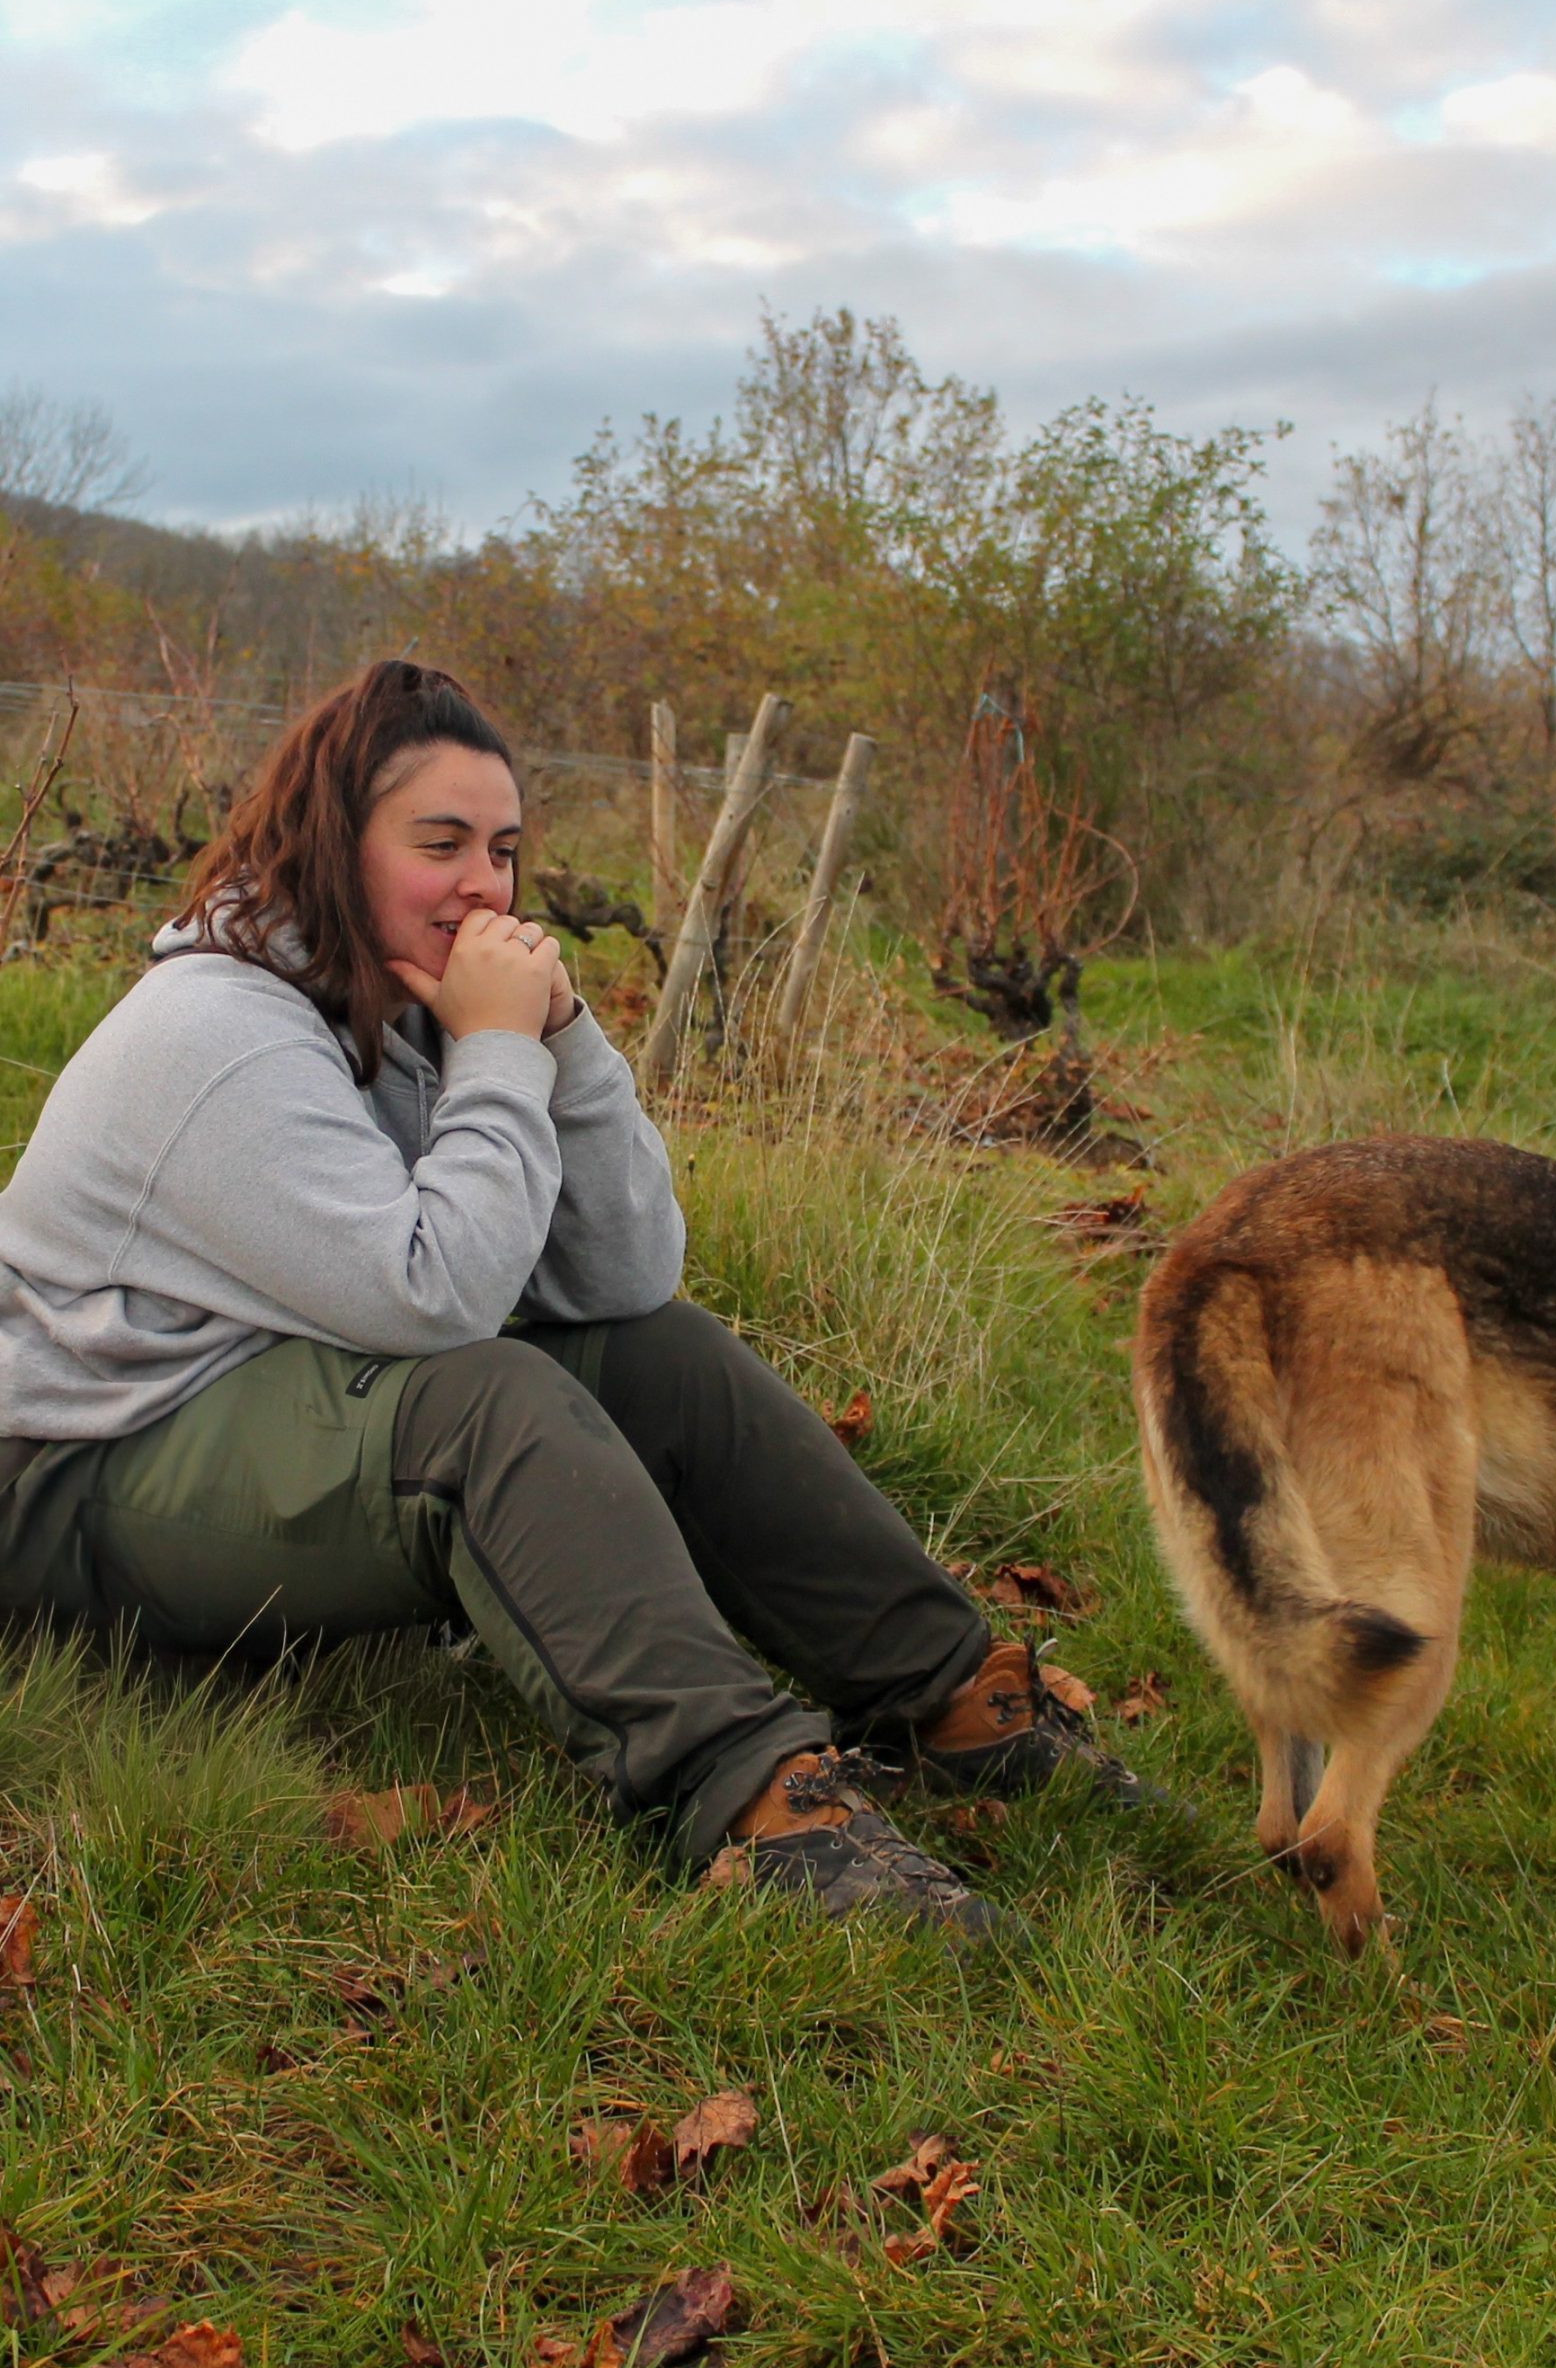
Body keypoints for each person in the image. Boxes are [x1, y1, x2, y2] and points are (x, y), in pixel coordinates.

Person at [0, 658, 1140, 1939]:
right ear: (335, 843)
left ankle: (951, 1700)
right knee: (487, 1407)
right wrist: (495, 1051)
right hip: (77, 1477)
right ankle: (759, 1812)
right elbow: (431, 1298)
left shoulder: (403, 1004)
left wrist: (559, 1033)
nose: (484, 884)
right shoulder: (215, 1032)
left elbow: (623, 1276)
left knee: (653, 1354)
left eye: (503, 848)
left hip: (261, 1406)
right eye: (440, 843)